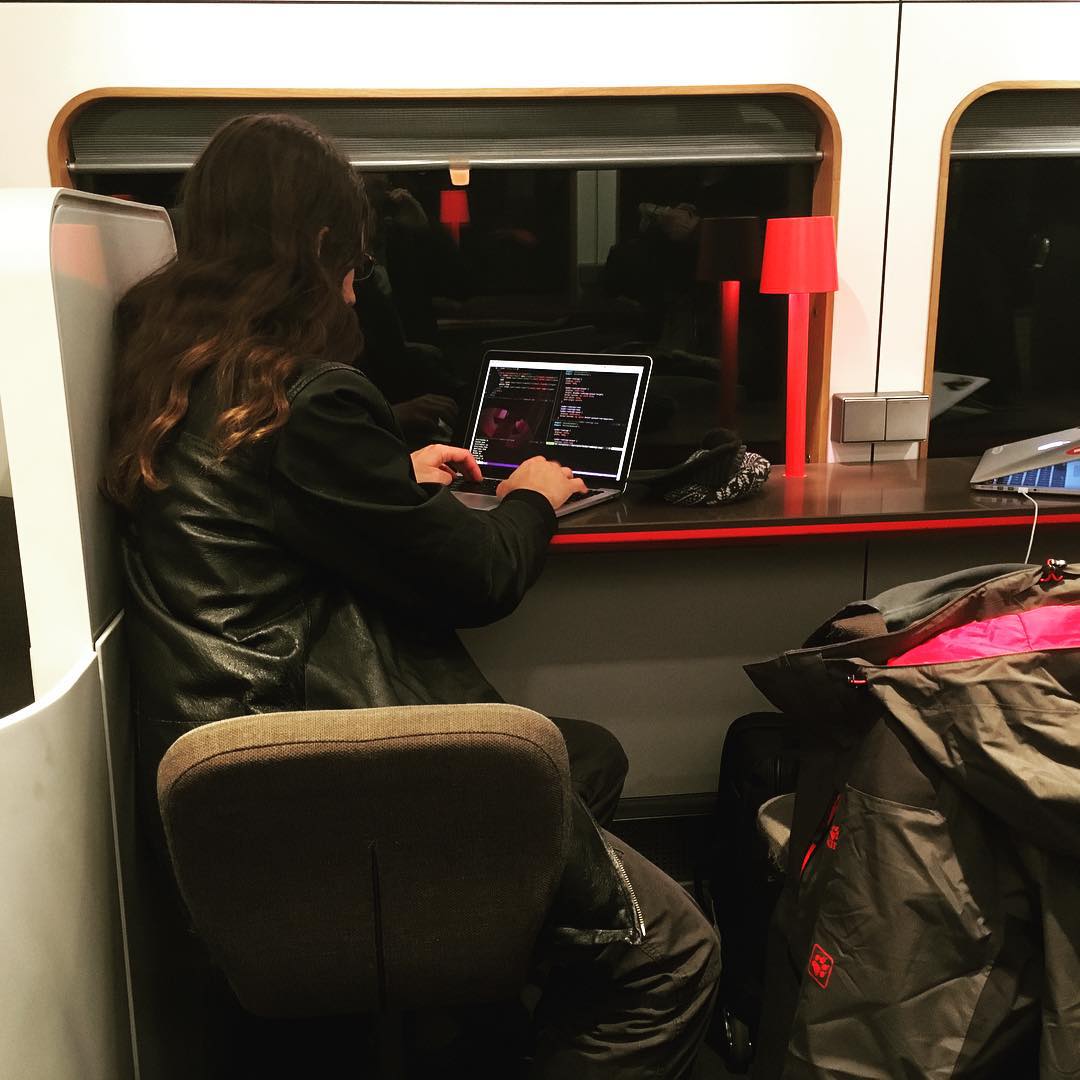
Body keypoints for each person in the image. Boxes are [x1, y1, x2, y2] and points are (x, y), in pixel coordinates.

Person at [104, 114, 718, 1079]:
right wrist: (531, 497)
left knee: (587, 758)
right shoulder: (308, 396)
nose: (359, 283)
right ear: (320, 249)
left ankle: (466, 1014)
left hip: (222, 768)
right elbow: (481, 578)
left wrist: (391, 472)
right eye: (353, 261)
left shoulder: (174, 367)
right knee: (674, 959)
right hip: (318, 765)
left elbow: (263, 500)